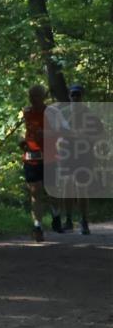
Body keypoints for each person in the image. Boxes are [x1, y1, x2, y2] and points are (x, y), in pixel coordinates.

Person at [18, 84, 66, 241]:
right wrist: (21, 142)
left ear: (43, 97)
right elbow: (20, 132)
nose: (32, 99)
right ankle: (37, 226)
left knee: (52, 191)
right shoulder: (25, 112)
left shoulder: (53, 112)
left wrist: (46, 133)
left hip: (50, 157)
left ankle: (56, 215)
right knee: (35, 191)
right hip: (31, 157)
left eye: (36, 96)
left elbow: (65, 131)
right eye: (31, 96)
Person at [59, 83, 106, 235]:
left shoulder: (91, 115)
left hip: (85, 154)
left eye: (78, 95)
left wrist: (87, 137)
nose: (75, 98)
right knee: (67, 185)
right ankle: (68, 220)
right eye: (73, 95)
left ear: (82, 96)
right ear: (69, 96)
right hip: (66, 153)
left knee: (81, 186)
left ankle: (84, 221)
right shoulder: (63, 113)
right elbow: (55, 133)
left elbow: (102, 135)